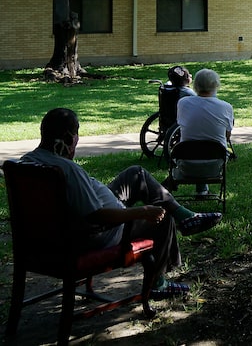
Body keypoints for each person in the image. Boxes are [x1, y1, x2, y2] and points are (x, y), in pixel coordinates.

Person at [21, 108, 222, 300]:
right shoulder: (66, 170)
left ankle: (186, 216)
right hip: (97, 234)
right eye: (76, 134)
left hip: (49, 239)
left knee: (136, 174)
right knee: (162, 217)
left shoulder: (26, 163)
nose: (77, 140)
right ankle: (158, 283)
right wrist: (142, 212)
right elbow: (97, 216)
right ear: (66, 138)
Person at [176, 69, 234, 196]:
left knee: (196, 145)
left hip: (186, 164)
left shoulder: (183, 103)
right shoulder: (226, 107)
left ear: (195, 85)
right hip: (215, 165)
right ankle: (202, 191)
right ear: (216, 85)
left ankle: (201, 190)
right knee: (208, 147)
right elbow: (227, 136)